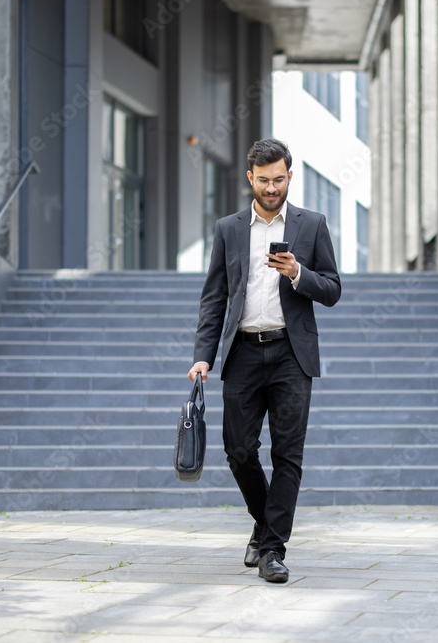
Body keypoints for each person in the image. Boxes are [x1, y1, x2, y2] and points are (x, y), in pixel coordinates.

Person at [188, 138, 341, 583]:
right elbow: (214, 296)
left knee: (288, 455)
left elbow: (332, 289)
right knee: (238, 450)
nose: (271, 188)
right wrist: (203, 356)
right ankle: (264, 520)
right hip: (243, 352)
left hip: (292, 354)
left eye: (279, 180)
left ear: (290, 176)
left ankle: (273, 548)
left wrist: (298, 273)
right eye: (263, 181)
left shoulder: (312, 225)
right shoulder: (229, 228)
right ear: (250, 178)